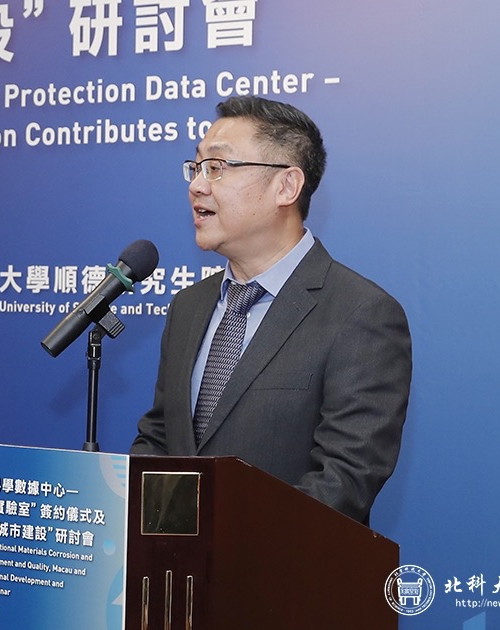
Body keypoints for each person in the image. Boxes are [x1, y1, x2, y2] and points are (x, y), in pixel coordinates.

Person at [130, 96, 412, 524]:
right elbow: (160, 437)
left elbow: (344, 480)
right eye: (196, 167)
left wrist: (226, 544)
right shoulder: (189, 305)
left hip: (286, 562)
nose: (197, 186)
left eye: (217, 167)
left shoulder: (361, 314)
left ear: (286, 186)